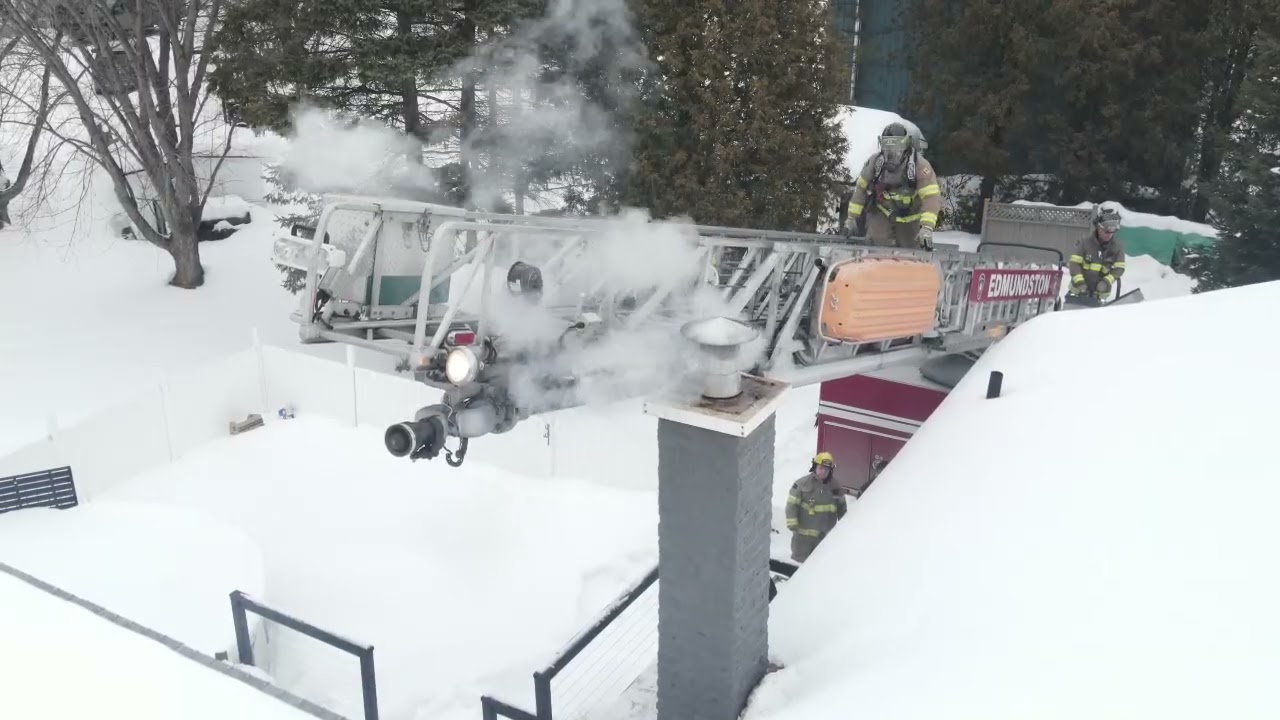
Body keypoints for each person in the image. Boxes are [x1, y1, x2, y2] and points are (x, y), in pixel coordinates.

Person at [845, 123, 942, 250]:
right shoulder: (874, 163)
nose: (891, 153)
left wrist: (927, 227)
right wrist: (851, 218)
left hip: (910, 217)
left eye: (897, 147)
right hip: (882, 211)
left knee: (911, 253)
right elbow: (860, 190)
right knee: (876, 247)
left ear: (906, 145)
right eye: (887, 147)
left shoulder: (920, 166)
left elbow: (931, 198)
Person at [785, 452, 848, 563]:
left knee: (819, 569)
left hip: (824, 539)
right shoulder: (802, 484)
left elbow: (842, 508)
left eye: (827, 470)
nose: (823, 472)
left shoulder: (836, 487)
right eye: (821, 468)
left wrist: (845, 528)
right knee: (798, 567)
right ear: (815, 467)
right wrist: (792, 523)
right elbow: (791, 505)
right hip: (803, 539)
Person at [1068, 201, 1127, 300]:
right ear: (1098, 227)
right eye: (1106, 230)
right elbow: (1074, 264)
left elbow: (1119, 269)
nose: (1109, 234)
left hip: (1100, 296)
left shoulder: (1118, 248)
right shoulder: (1084, 243)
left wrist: (1106, 281)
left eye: (1113, 230)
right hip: (1077, 292)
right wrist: (1079, 282)